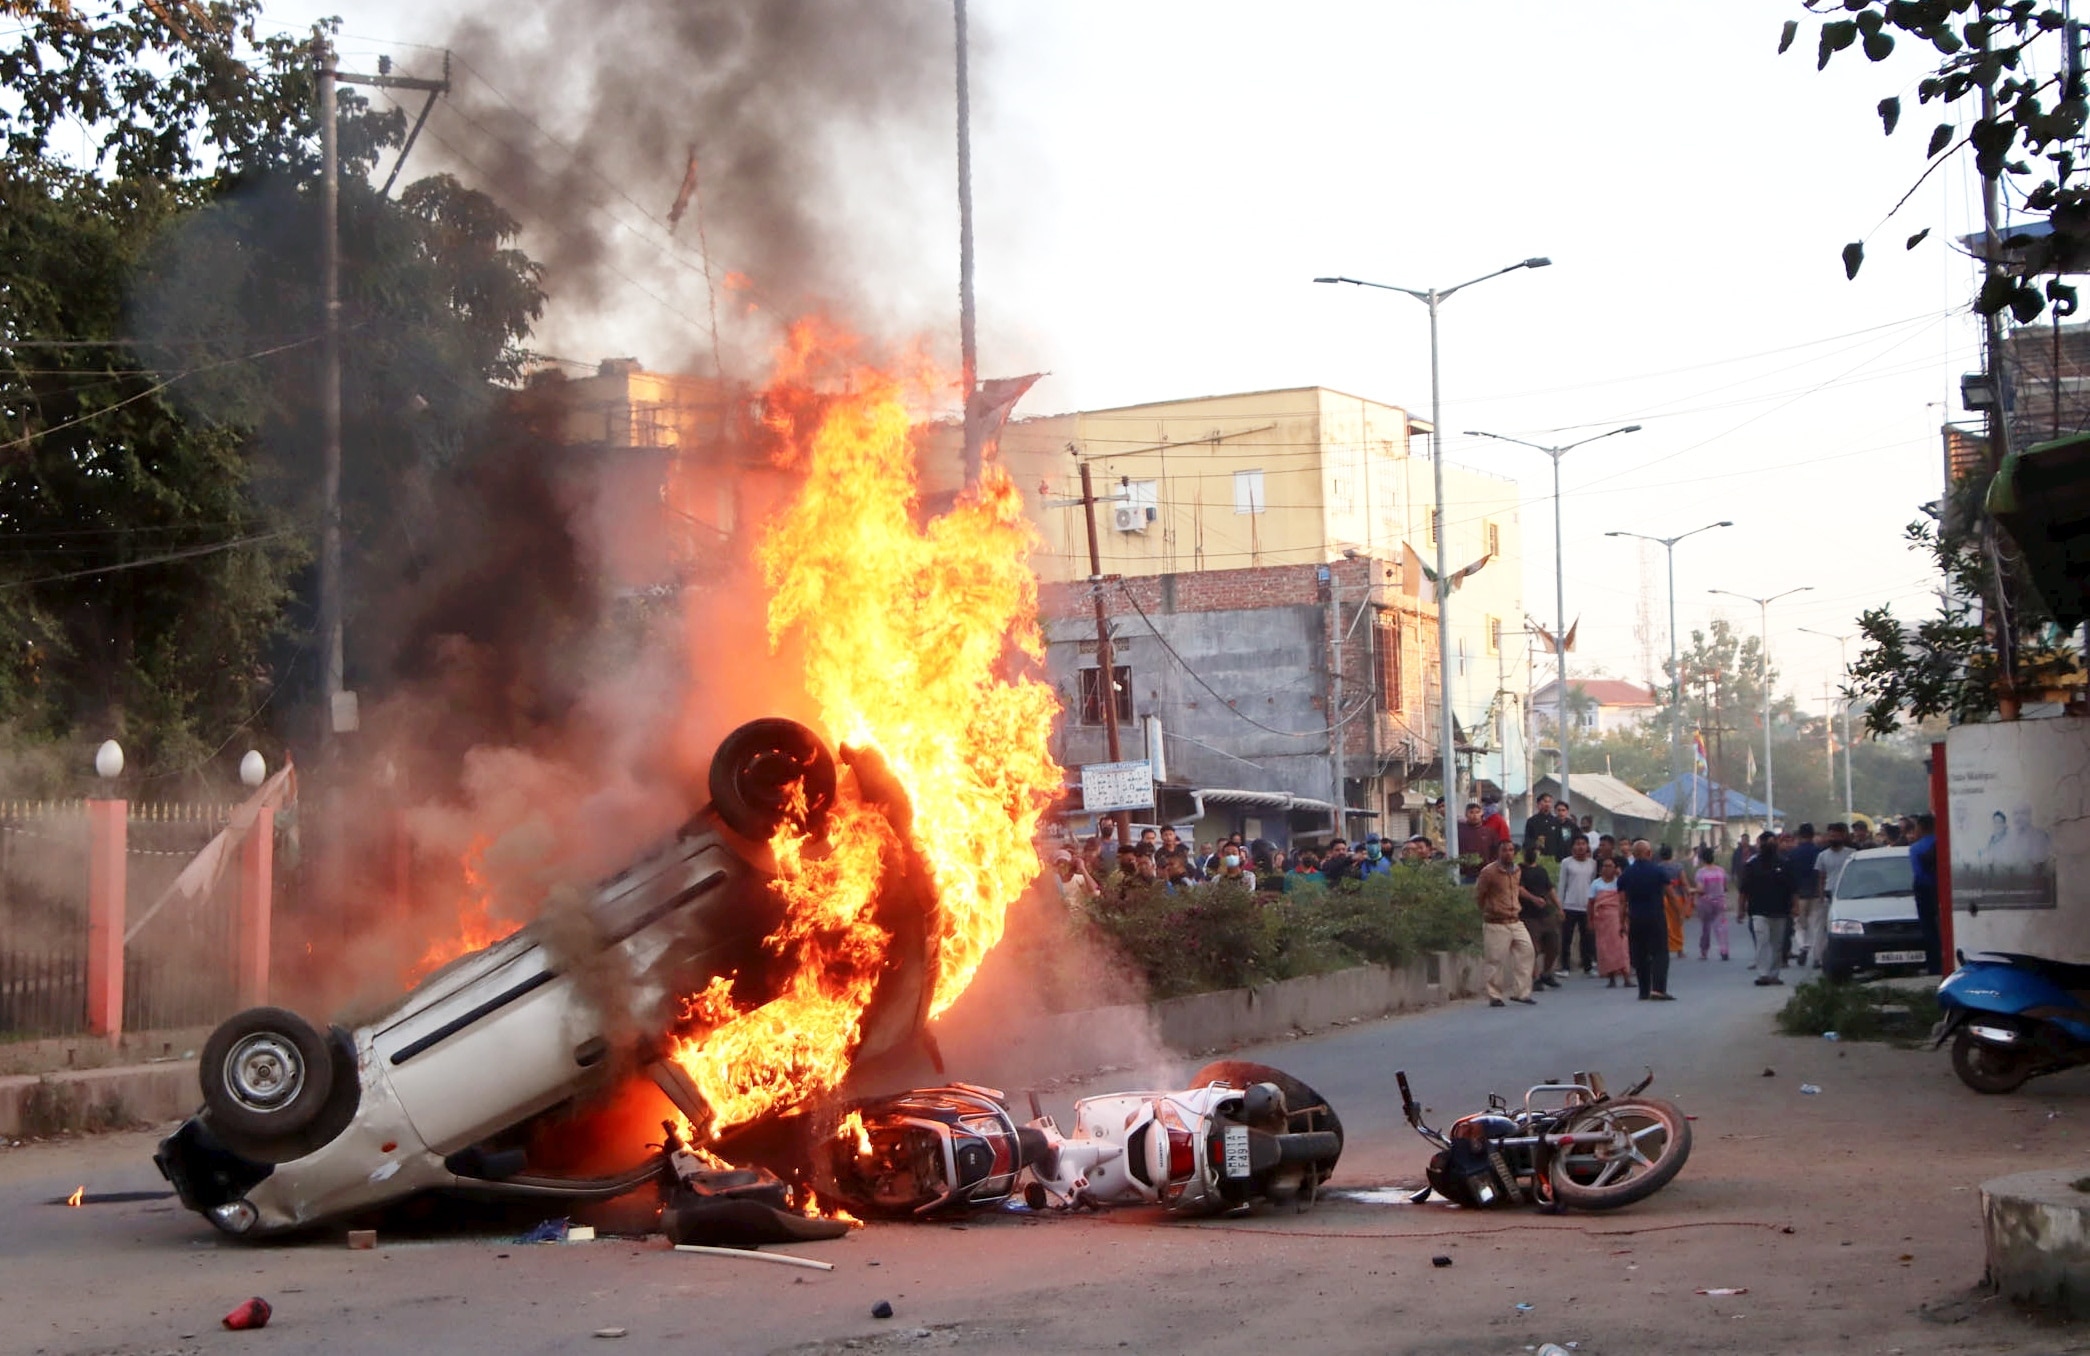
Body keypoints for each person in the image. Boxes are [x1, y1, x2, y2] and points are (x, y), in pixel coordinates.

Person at [1475, 838, 1537, 1007]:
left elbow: (1517, 889)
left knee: (1527, 952)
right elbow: (1480, 894)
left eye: (1511, 850)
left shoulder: (1516, 870)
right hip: (1496, 922)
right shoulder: (1489, 872)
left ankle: (1522, 993)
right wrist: (1488, 910)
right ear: (1498, 852)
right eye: (1504, 850)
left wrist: (1533, 899)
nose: (1508, 853)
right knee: (1495, 959)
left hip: (1515, 919)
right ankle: (1494, 995)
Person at [1619, 840, 1675, 1001]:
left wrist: (1621, 922)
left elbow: (1622, 902)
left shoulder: (1627, 873)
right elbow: (1670, 894)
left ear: (1634, 854)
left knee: (1639, 954)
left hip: (1635, 918)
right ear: (1649, 853)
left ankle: (1643, 991)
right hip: (1655, 917)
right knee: (1660, 953)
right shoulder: (1658, 871)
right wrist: (1678, 914)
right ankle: (1658, 989)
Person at [1740, 831, 1796, 985]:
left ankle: (1774, 975)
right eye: (1767, 842)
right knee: (1762, 941)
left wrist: (1794, 907)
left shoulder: (1784, 863)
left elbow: (1792, 888)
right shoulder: (1752, 864)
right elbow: (1744, 889)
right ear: (1760, 844)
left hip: (1780, 910)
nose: (1770, 845)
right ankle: (1763, 975)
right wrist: (1741, 909)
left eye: (1772, 842)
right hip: (1758, 911)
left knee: (1777, 945)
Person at [1811, 823, 1857, 968]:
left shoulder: (1852, 854)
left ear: (1843, 836)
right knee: (1821, 928)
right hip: (1828, 894)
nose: (1833, 838)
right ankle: (1818, 957)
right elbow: (1821, 877)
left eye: (1836, 835)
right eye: (1831, 835)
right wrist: (1820, 896)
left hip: (1848, 896)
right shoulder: (1822, 856)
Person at [1517, 846, 1563, 990]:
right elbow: (1519, 888)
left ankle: (1546, 973)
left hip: (1546, 914)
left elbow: (1550, 889)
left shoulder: (1541, 871)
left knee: (1554, 945)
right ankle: (1535, 977)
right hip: (1528, 915)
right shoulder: (1518, 870)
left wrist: (1559, 907)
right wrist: (1533, 899)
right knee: (1532, 948)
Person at [1558, 833, 1598, 976]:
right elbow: (1562, 885)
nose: (1580, 847)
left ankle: (1587, 966)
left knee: (1587, 937)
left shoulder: (1593, 864)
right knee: (1566, 938)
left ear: (1587, 847)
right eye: (1577, 844)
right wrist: (1560, 906)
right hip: (1569, 905)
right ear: (1572, 847)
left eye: (1583, 844)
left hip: (1586, 905)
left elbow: (1593, 884)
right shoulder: (1566, 863)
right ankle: (1565, 967)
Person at [1588, 855, 1631, 987]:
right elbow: (1591, 903)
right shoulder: (1596, 884)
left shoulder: (1620, 882)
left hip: (1618, 917)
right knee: (1605, 949)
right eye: (1604, 866)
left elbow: (1625, 900)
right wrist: (1590, 921)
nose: (1607, 869)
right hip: (1603, 920)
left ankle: (1626, 978)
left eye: (1610, 866)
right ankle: (1611, 977)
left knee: (1622, 947)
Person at [1785, 824, 1824, 967]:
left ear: (1799, 836)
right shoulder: (1820, 852)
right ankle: (1817, 957)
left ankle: (1803, 946)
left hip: (1799, 895)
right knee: (1817, 925)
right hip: (1816, 893)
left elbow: (1789, 877)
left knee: (1800, 925)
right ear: (1813, 835)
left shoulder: (1793, 854)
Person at [1909, 813, 1942, 974]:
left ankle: (1934, 965)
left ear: (1920, 828)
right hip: (1943, 889)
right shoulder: (1942, 843)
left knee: (1929, 929)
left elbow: (1919, 873)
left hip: (1925, 890)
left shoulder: (1916, 848)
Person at [1692, 845, 1730, 961]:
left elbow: (1701, 889)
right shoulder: (1721, 871)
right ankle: (1724, 950)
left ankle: (1704, 952)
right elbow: (1725, 886)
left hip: (1705, 903)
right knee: (1721, 927)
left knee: (1706, 928)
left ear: (1702, 859)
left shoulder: (1701, 873)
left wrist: (1691, 891)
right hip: (1719, 901)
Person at [1658, 843, 1692, 959]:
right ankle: (1679, 950)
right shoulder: (1678, 867)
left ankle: (1665, 948)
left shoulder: (1657, 868)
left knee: (1665, 925)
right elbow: (1684, 882)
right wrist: (1688, 894)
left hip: (1662, 898)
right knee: (1678, 924)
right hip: (1677, 897)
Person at [1457, 803, 1502, 883]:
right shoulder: (1459, 831)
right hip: (1464, 874)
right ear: (1466, 814)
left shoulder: (1489, 832)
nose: (1475, 815)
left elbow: (1497, 852)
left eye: (1477, 812)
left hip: (1485, 873)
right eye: (1471, 812)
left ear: (1481, 814)